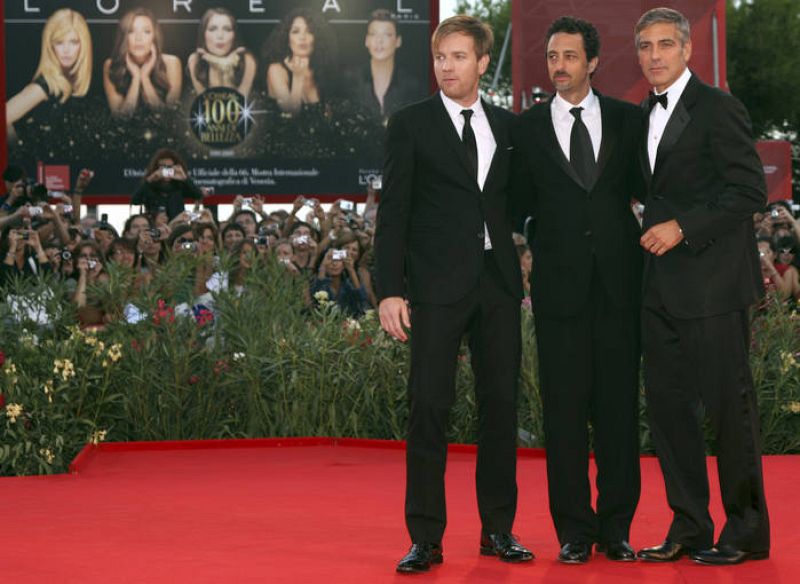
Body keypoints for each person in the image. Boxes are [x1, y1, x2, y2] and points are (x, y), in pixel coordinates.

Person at [375, 15, 531, 573]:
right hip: (435, 289)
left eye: (459, 57)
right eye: (441, 57)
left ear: (483, 63)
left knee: (500, 409)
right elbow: (392, 213)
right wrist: (390, 290)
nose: (446, 66)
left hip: (497, 285)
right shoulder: (411, 124)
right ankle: (426, 537)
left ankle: (498, 530)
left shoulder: (509, 129)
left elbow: (520, 203)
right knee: (429, 410)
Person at [632, 8, 770, 566]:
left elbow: (749, 190)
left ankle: (746, 532)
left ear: (688, 50)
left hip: (712, 288)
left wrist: (683, 227)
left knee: (728, 413)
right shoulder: (641, 113)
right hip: (659, 292)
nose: (655, 55)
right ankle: (689, 526)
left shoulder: (718, 108)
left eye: (666, 44)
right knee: (669, 416)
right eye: (645, 46)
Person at [510, 16, 643, 564]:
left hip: (619, 288)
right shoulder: (527, 129)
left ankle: (616, 529)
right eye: (552, 57)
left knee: (616, 413)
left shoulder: (628, 120)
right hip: (559, 292)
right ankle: (574, 531)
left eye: (569, 56)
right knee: (563, 415)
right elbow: (514, 202)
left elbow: (650, 187)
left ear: (591, 62)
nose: (558, 66)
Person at [6, 9, 92, 137]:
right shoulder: (44, 85)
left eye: (73, 42)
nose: (66, 50)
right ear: (50, 46)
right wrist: (19, 150)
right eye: (59, 42)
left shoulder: (71, 81)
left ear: (83, 45)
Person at [346, 9, 425, 122]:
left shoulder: (412, 86)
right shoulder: (349, 80)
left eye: (387, 35)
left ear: (398, 41)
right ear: (366, 40)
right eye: (373, 34)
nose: (379, 40)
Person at [103, 7, 182, 116]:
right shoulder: (111, 65)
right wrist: (136, 78)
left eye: (146, 32)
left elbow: (168, 117)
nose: (138, 38)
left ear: (154, 37)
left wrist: (145, 78)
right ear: (124, 37)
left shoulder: (172, 63)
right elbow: (120, 118)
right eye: (131, 31)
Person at [264, 8, 337, 114]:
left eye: (309, 31)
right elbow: (290, 114)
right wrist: (297, 77)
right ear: (287, 39)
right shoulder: (276, 69)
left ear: (317, 39)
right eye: (296, 31)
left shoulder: (320, 71)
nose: (302, 37)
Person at [188, 7, 256, 98]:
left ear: (234, 35)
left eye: (227, 29)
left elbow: (237, 105)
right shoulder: (194, 60)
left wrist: (226, 67)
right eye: (212, 29)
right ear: (203, 34)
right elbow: (207, 105)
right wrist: (215, 65)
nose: (220, 36)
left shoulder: (247, 59)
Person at [131, 149, 203, 221]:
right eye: (163, 167)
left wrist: (185, 178)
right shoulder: (150, 186)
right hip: (156, 227)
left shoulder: (179, 186)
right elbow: (135, 201)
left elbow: (198, 195)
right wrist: (150, 179)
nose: (166, 170)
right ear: (156, 168)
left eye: (169, 167)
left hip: (177, 227)